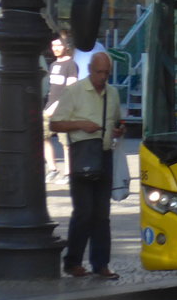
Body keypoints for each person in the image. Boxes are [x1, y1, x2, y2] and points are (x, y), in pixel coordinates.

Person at [49, 51, 124, 279]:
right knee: (83, 213)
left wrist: (119, 130)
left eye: (106, 73)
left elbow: (117, 121)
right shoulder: (75, 91)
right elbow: (55, 124)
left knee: (102, 215)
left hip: (104, 155)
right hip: (82, 156)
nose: (102, 76)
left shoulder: (112, 94)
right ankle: (72, 262)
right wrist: (81, 124)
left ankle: (101, 264)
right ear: (90, 70)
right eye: (99, 72)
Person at [43, 33, 79, 182]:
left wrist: (56, 107)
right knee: (44, 137)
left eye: (58, 45)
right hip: (49, 107)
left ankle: (69, 173)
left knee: (66, 143)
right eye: (53, 46)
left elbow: (70, 89)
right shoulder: (53, 65)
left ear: (66, 47)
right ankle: (52, 169)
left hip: (63, 109)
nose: (55, 48)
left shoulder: (71, 65)